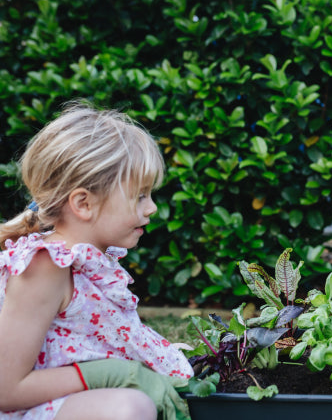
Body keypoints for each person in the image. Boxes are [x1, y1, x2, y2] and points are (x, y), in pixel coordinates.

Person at [0, 103, 193, 420]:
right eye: (140, 196)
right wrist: (111, 374)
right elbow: (6, 389)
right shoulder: (45, 267)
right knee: (130, 409)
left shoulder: (89, 262)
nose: (153, 208)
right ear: (83, 203)